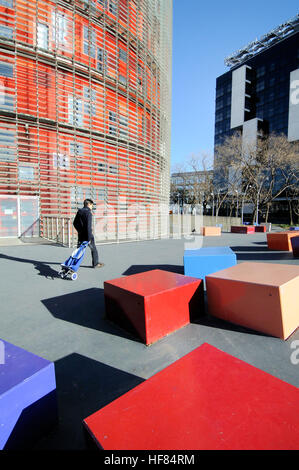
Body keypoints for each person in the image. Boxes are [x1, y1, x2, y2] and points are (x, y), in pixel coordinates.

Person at [73, 199, 104, 268]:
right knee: (93, 249)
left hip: (81, 235)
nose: (92, 207)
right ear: (89, 204)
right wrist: (89, 237)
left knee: (79, 250)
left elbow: (75, 223)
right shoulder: (88, 213)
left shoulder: (79, 211)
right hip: (87, 235)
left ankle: (73, 264)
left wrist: (80, 231)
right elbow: (88, 226)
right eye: (92, 205)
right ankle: (95, 264)